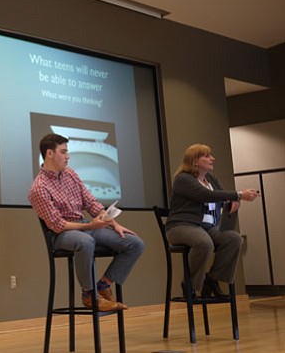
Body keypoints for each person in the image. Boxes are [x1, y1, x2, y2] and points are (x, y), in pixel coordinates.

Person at [28, 133, 145, 311]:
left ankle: (103, 285)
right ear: (49, 154)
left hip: (85, 226)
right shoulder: (39, 188)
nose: (68, 156)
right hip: (62, 235)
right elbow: (57, 225)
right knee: (86, 241)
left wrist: (113, 223)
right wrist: (90, 226)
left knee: (134, 243)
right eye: (64, 152)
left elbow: (90, 203)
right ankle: (89, 294)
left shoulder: (70, 174)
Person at [166, 143, 259, 298]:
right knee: (204, 243)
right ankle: (190, 283)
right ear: (195, 161)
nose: (212, 159)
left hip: (208, 227)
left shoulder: (210, 178)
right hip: (181, 226)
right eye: (207, 156)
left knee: (234, 239)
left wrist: (233, 201)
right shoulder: (182, 179)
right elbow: (206, 195)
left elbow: (223, 195)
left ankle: (212, 280)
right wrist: (239, 195)